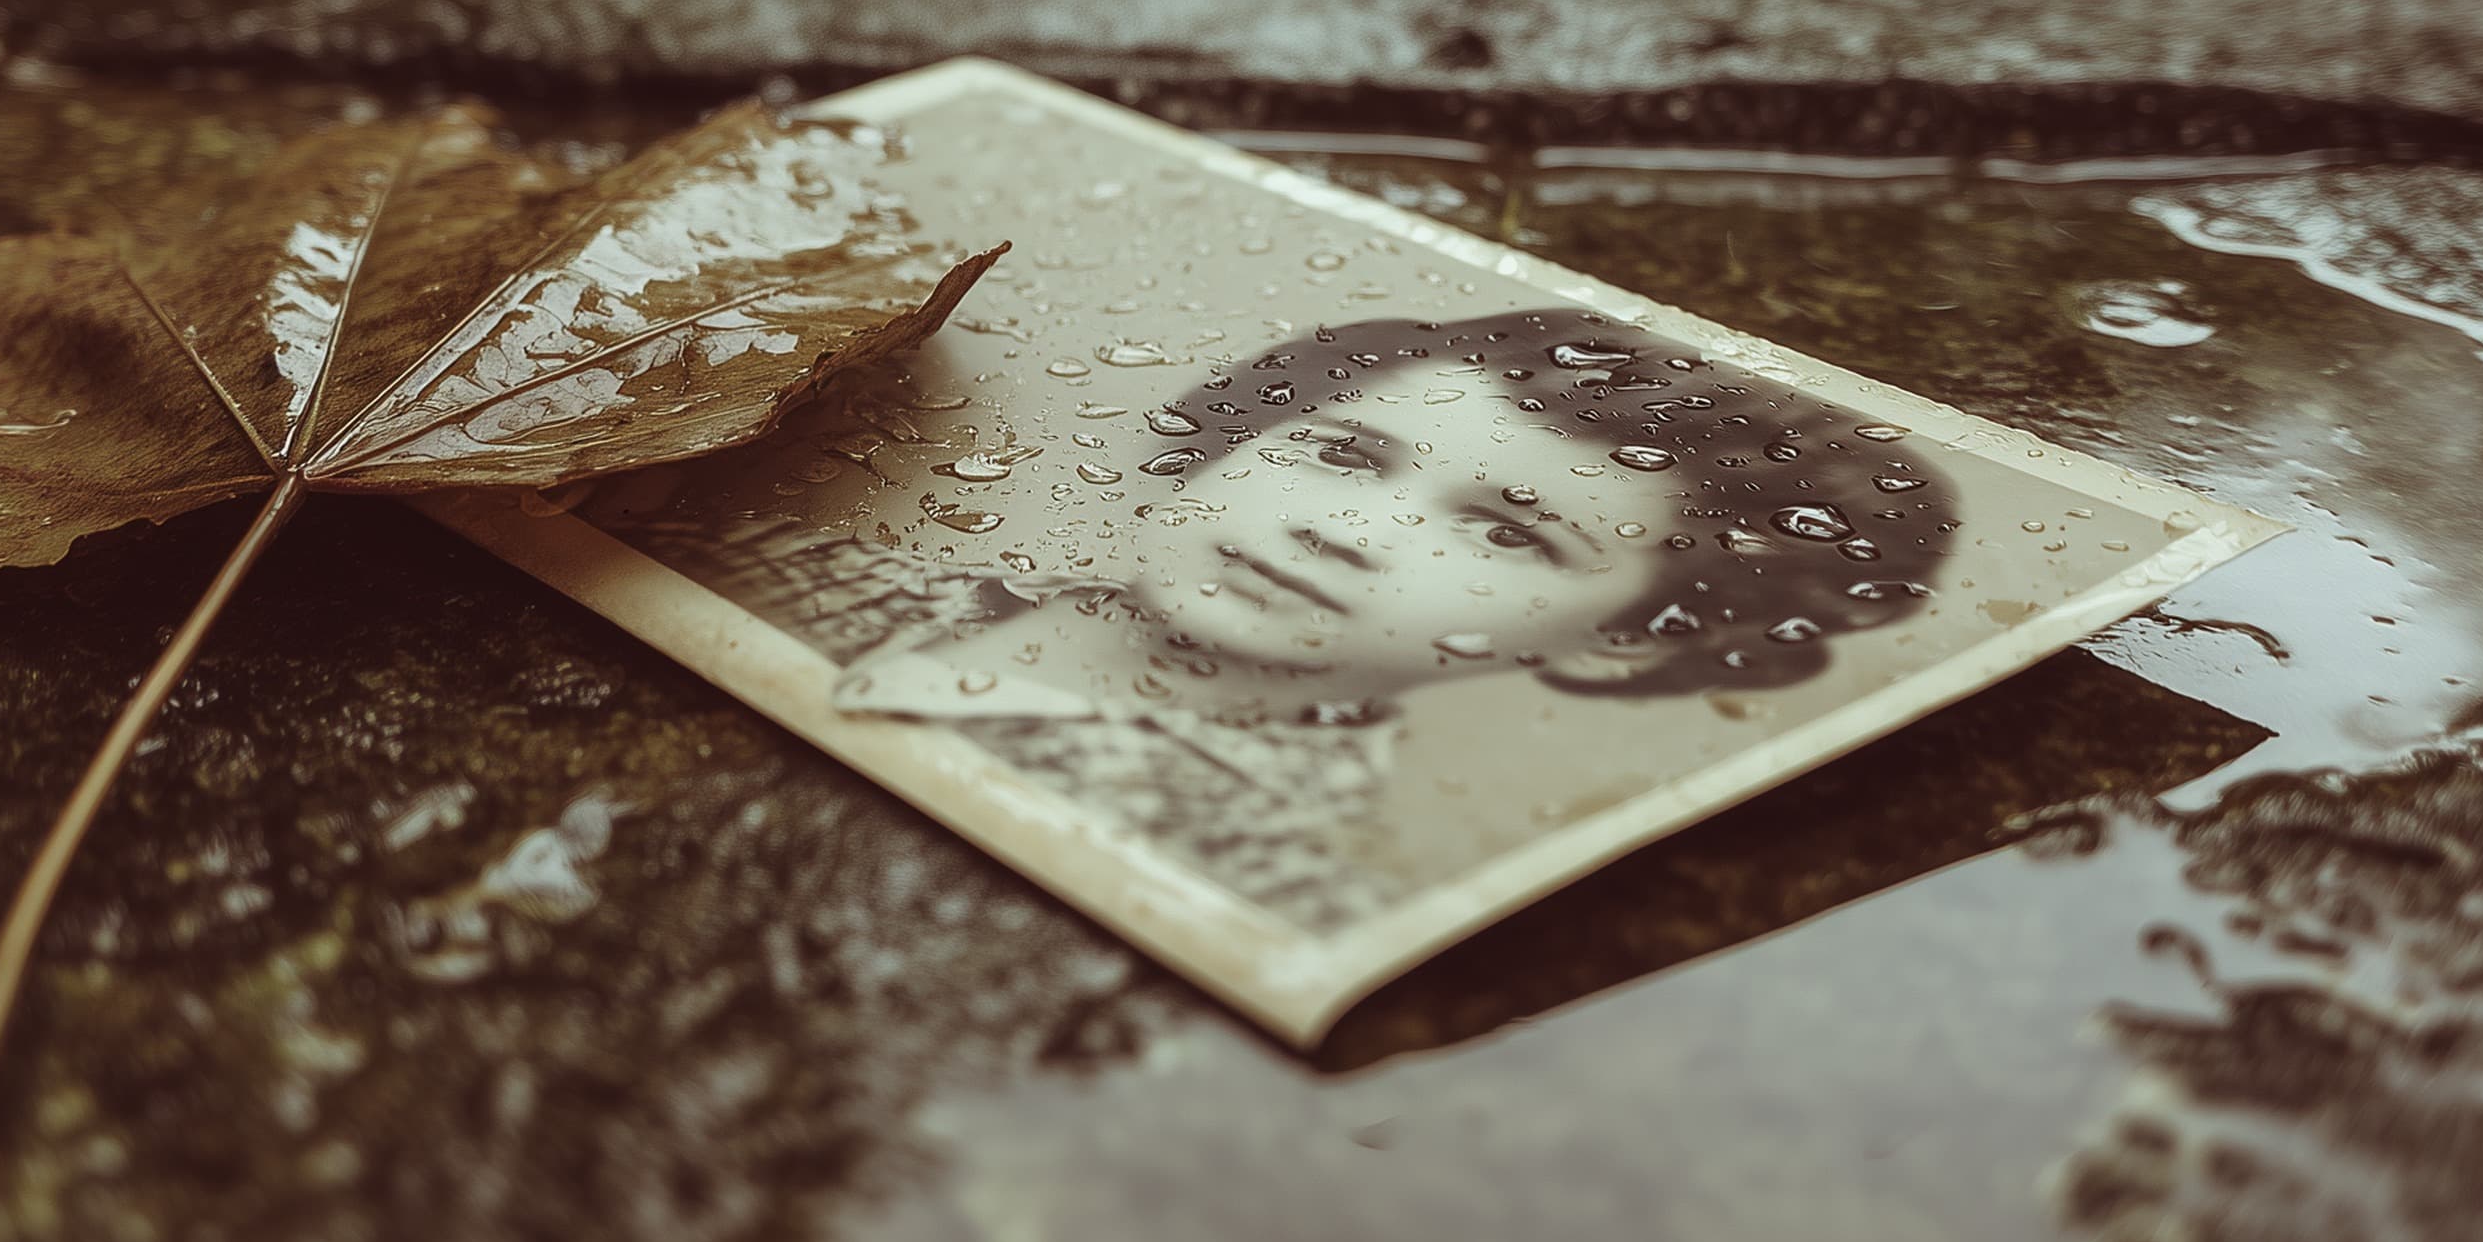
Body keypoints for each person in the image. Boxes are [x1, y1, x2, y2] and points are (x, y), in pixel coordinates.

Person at [611, 310, 1958, 930]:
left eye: (1509, 532)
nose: (1341, 531)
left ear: (1633, 635)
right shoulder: (770, 565)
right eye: (1345, 456)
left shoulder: (1256, 874)